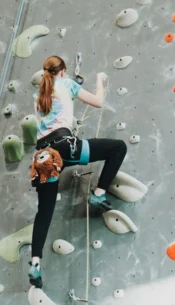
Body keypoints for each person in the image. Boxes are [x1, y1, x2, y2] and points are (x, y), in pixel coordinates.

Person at [28, 55, 128, 288]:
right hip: (65, 147)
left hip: (43, 157)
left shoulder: (38, 96)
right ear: (63, 72)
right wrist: (100, 80)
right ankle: (99, 193)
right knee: (118, 148)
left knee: (45, 211)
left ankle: (35, 262)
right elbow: (98, 102)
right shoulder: (67, 84)